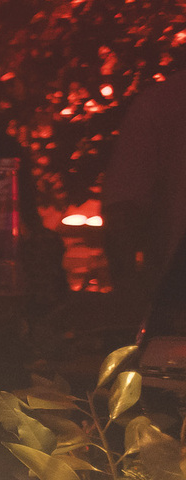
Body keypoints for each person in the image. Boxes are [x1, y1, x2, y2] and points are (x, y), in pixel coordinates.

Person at [101, 74, 186, 306]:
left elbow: (122, 207)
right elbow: (123, 208)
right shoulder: (162, 104)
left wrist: (128, 291)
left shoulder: (161, 103)